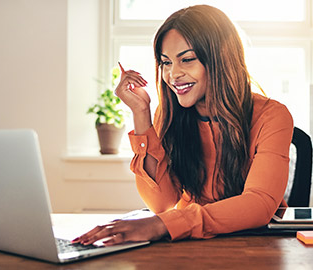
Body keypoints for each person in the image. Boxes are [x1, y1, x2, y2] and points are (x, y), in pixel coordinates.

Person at [72, 4, 293, 246]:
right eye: (166, 63)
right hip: (191, 244)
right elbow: (161, 203)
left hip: (255, 247)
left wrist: (163, 225)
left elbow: (258, 203)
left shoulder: (272, 115)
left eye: (186, 60)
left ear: (221, 59)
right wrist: (141, 113)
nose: (173, 74)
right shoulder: (168, 114)